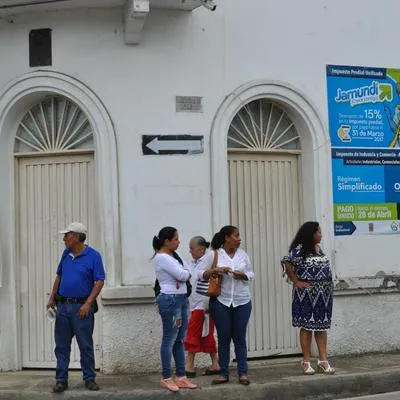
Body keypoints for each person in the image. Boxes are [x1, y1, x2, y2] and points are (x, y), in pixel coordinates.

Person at [46, 222, 105, 393]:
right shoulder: (66, 254)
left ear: (77, 237)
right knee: (61, 346)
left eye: (67, 235)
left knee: (85, 345)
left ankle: (89, 378)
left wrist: (87, 303)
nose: (64, 239)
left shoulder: (93, 256)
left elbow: (99, 281)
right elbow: (59, 276)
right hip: (63, 307)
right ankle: (61, 380)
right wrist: (52, 297)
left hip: (81, 308)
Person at [281, 221, 335, 375]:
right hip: (306, 296)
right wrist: (296, 281)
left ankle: (323, 360)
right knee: (307, 327)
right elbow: (286, 262)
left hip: (323, 296)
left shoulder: (318, 248)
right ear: (311, 234)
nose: (321, 234)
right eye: (318, 232)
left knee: (321, 326)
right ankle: (306, 361)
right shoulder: (299, 250)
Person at [204, 225, 254, 385]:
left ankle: (243, 373)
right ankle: (223, 373)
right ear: (227, 237)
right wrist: (216, 270)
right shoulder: (214, 255)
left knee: (239, 338)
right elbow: (202, 274)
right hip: (221, 301)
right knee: (224, 338)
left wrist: (243, 275)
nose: (239, 239)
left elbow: (251, 274)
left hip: (242, 300)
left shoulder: (243, 255)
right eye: (236, 236)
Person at [153, 226, 198, 392]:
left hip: (180, 299)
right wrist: (185, 272)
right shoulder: (162, 257)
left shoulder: (174, 256)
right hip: (170, 300)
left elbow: (187, 271)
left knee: (180, 339)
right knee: (169, 339)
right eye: (176, 239)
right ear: (167, 241)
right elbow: (184, 275)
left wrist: (185, 272)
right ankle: (166, 377)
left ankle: (181, 377)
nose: (179, 242)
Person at [184, 236, 220, 377]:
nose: (190, 251)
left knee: (193, 333)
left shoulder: (208, 259)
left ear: (202, 248)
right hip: (195, 304)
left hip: (202, 304)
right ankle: (215, 364)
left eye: (192, 248)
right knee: (207, 334)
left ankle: (190, 365)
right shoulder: (193, 263)